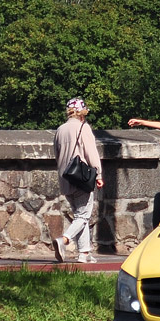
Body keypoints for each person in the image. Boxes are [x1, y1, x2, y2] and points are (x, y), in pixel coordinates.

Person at [53, 97, 104, 264]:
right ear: (82, 112)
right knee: (83, 215)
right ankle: (64, 240)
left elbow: (57, 153)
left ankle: (84, 253)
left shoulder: (60, 130)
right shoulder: (84, 128)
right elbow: (91, 153)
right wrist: (98, 174)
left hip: (66, 177)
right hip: (82, 177)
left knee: (79, 215)